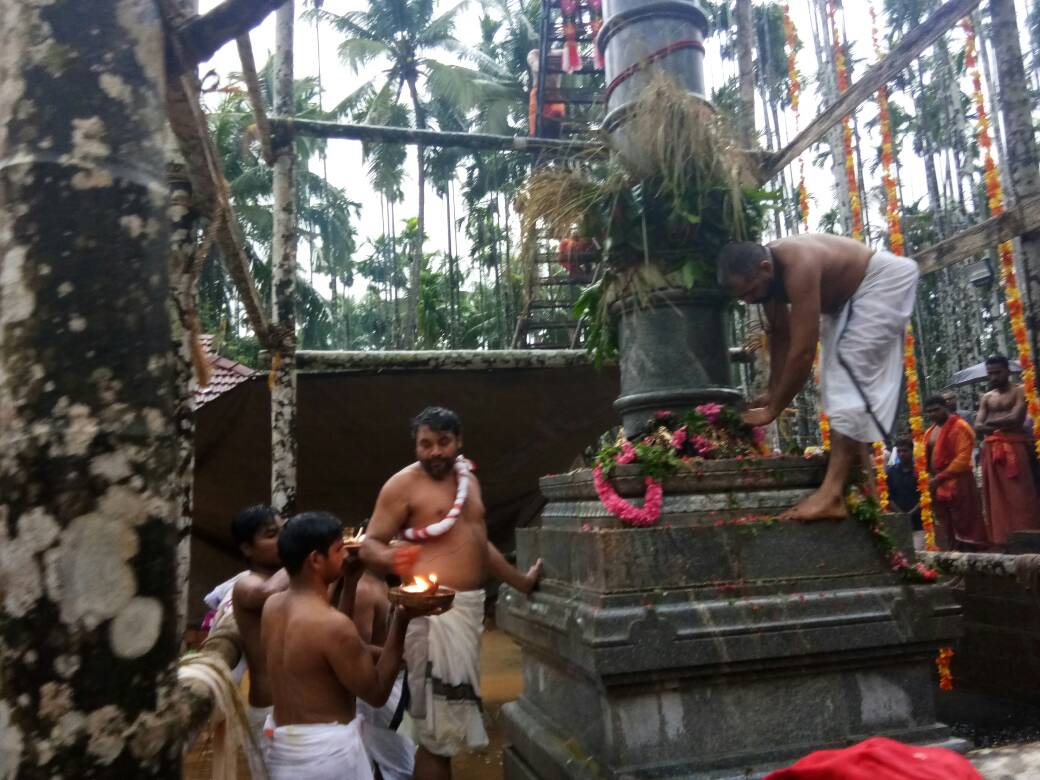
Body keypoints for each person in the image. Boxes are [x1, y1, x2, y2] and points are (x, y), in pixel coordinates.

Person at [361, 406, 543, 780]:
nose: (434, 452)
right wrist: (393, 558)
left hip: (467, 613)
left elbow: (479, 543)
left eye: (443, 443)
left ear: (458, 441)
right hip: (430, 616)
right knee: (437, 737)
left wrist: (520, 581)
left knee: (448, 732)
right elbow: (369, 546)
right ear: (416, 446)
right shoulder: (402, 486)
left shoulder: (468, 482)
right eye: (425, 444)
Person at [717, 235, 919, 520]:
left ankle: (832, 494)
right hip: (846, 302)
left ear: (765, 267)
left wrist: (773, 410)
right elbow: (780, 336)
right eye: (743, 297)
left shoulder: (799, 263)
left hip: (881, 282)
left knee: (845, 379)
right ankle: (862, 491)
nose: (751, 299)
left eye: (751, 291)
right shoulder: (768, 280)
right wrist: (773, 392)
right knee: (838, 385)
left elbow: (802, 350)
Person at [261, 512, 433, 780]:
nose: (346, 556)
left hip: (282, 748)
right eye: (339, 550)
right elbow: (376, 695)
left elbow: (325, 646)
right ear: (316, 560)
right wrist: (401, 620)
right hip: (327, 757)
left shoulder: (272, 607)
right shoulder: (331, 625)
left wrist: (349, 582)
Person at [226, 505, 288, 776]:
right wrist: (302, 551)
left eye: (286, 531)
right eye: (272, 534)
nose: (284, 539)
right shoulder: (246, 584)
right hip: (270, 710)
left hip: (307, 711)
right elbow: (265, 594)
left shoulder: (297, 580)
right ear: (247, 549)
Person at [975, 355, 1040, 546]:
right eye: (990, 374)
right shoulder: (987, 397)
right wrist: (1001, 423)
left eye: (997, 372)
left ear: (1008, 371)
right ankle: (1003, 540)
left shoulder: (1020, 390)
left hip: (1015, 447)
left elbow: (1017, 418)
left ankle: (1029, 537)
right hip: (992, 450)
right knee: (996, 498)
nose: (993, 377)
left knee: (1021, 495)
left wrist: (992, 422)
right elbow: (978, 426)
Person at [923, 396, 988, 550]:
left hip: (959, 483)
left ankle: (974, 564)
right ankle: (956, 559)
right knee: (947, 525)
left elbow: (963, 458)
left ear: (945, 407)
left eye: (936, 410)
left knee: (965, 523)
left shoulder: (960, 426)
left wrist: (940, 478)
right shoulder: (930, 431)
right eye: (929, 412)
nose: (933, 414)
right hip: (938, 486)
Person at [885, 438, 920, 529]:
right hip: (898, 521)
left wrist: (911, 513)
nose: (901, 454)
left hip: (919, 520)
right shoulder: (890, 472)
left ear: (912, 451)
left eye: (905, 451)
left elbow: (925, 497)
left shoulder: (920, 472)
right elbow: (888, 498)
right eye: (899, 451)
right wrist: (901, 514)